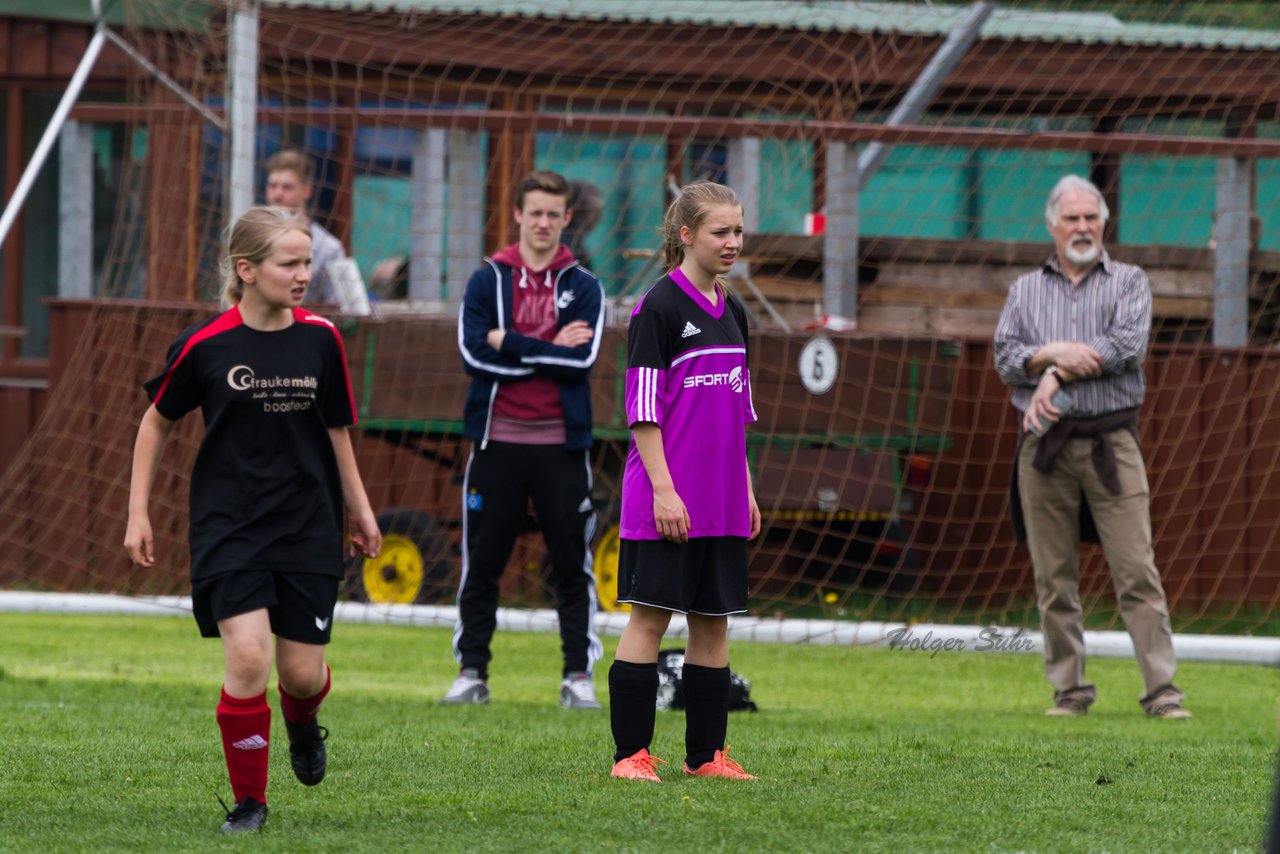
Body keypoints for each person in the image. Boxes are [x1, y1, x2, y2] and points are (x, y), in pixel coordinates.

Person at [124, 206, 382, 833]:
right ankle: (250, 804)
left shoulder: (322, 338)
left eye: (306, 264)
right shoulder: (205, 344)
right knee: (247, 658)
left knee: (299, 674)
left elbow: (337, 430)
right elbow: (155, 421)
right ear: (247, 269)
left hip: (308, 526)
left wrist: (361, 509)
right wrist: (137, 512)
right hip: (229, 526)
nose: (302, 275)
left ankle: (301, 722)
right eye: (289, 264)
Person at [994, 174, 1190, 719]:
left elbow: (1127, 347)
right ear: (1053, 226)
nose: (1082, 227)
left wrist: (1052, 373)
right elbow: (1006, 358)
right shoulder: (1024, 291)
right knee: (1053, 578)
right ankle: (1070, 693)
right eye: (1072, 218)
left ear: (1104, 223)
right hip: (1043, 447)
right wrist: (1052, 354)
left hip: (1111, 442)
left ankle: (1163, 694)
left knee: (1137, 572)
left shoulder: (1130, 281)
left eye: (1091, 218)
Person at [607, 181, 761, 783]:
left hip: (721, 499)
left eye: (739, 231)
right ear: (686, 235)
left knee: (713, 621)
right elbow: (644, 410)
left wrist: (743, 487)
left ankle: (706, 757)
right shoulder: (659, 308)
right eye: (721, 232)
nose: (732, 243)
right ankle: (630, 756)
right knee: (651, 618)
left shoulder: (737, 311)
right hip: (665, 496)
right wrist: (665, 490)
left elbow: (738, 410)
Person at [448, 169, 606, 708]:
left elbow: (581, 361)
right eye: (533, 212)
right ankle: (472, 673)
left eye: (552, 214)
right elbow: (474, 356)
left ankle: (576, 677)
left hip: (562, 447)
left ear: (567, 219)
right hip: (496, 444)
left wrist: (508, 342)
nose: (542, 223)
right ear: (517, 214)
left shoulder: (585, 285)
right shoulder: (485, 280)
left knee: (570, 562)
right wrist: (546, 348)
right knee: (484, 562)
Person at [263, 148, 368, 312]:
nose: (277, 194)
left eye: (287, 187)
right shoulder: (254, 238)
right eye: (272, 185)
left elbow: (348, 309)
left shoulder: (329, 248)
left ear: (307, 191)